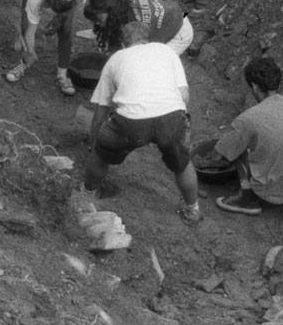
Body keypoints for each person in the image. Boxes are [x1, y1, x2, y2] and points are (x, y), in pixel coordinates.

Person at [72, 20, 202, 226]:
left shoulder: (116, 59)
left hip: (131, 120)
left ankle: (86, 195)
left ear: (123, 44)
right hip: (171, 115)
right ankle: (192, 210)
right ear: (147, 39)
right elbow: (184, 95)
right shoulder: (166, 51)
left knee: (99, 156)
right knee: (183, 165)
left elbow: (101, 110)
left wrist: (94, 143)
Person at [212, 57, 283, 216]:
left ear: (255, 87)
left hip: (273, 195)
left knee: (236, 147)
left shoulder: (248, 118)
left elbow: (221, 155)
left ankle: (247, 197)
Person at [5, 0, 87, 96]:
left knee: (66, 29)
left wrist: (62, 17)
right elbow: (30, 29)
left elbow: (73, 7)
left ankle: (62, 75)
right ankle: (24, 62)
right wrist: (30, 49)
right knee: (26, 20)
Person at [83, 0, 193, 55]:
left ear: (112, 14)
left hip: (179, 33)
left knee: (151, 64)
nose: (96, 23)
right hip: (170, 15)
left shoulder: (135, 26)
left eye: (99, 19)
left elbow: (137, 56)